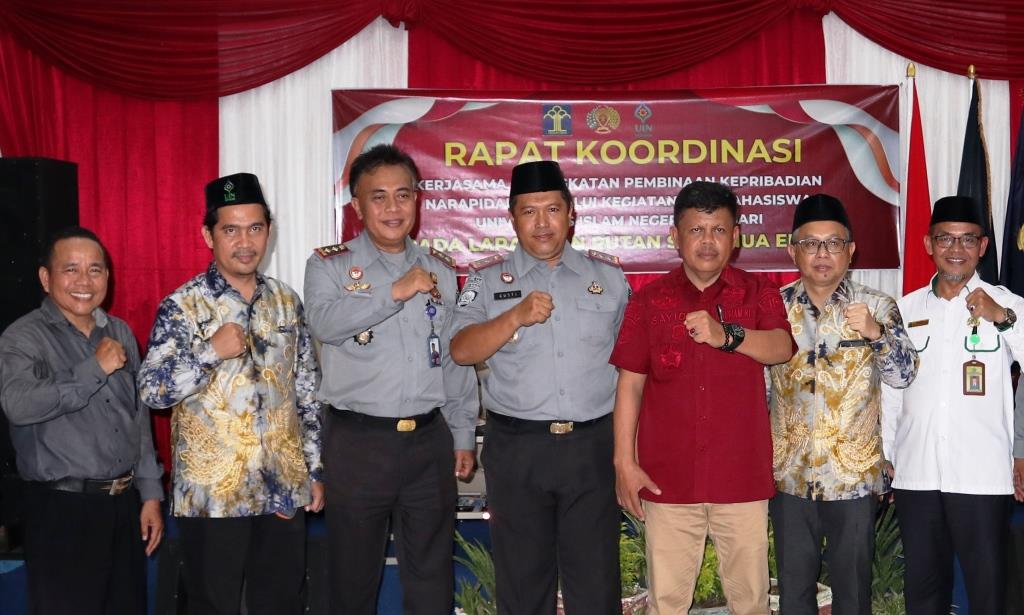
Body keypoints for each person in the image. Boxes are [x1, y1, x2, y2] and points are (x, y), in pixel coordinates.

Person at [303, 144, 478, 615]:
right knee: (353, 578)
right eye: (377, 197)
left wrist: (462, 432)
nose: (393, 208)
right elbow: (323, 322)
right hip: (358, 444)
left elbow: (452, 357)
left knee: (431, 574)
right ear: (357, 205)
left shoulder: (440, 269)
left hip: (427, 443)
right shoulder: (329, 265)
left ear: (418, 200)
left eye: (403, 195)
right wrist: (394, 291)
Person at [450, 159, 629, 615]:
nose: (542, 223)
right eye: (529, 212)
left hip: (591, 446)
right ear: (512, 218)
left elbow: (633, 368)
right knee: (523, 584)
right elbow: (461, 349)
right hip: (519, 448)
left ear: (571, 213)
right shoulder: (487, 279)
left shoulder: (607, 278)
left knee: (596, 583)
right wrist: (514, 316)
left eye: (552, 209)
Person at [138, 173, 322, 615]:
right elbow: (152, 390)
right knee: (211, 605)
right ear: (208, 234)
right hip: (211, 499)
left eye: (255, 228)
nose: (245, 241)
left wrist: (314, 469)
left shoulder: (286, 301)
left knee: (282, 603)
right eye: (230, 229)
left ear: (269, 231)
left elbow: (307, 393)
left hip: (282, 489)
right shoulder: (183, 305)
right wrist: (209, 352)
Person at [610, 180, 795, 615]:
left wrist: (725, 334)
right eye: (696, 230)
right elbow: (630, 383)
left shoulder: (759, 292)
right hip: (667, 479)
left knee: (750, 603)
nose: (707, 242)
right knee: (667, 604)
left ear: (736, 238)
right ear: (675, 237)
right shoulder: (650, 300)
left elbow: (781, 348)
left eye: (718, 230)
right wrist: (624, 462)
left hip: (740, 479)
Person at [0, 226, 163, 614]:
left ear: (108, 276)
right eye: (70, 269)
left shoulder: (119, 331)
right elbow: (18, 405)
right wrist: (94, 368)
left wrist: (151, 493)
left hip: (124, 506)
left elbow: (137, 417)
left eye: (95, 269)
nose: (84, 281)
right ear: (46, 277)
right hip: (61, 509)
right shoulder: (23, 337)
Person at [768, 194, 918, 615]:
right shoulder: (774, 308)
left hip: (852, 479)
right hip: (790, 477)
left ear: (851, 250)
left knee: (853, 593)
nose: (822, 254)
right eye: (811, 243)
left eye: (834, 243)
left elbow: (903, 375)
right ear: (792, 249)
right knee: (794, 594)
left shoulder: (878, 306)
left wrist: (876, 334)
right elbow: (757, 391)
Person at [882, 195, 1024, 615]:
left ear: (982, 247)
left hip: (980, 476)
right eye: (946, 238)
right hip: (917, 473)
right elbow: (892, 387)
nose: (956, 249)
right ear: (929, 244)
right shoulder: (904, 309)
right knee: (923, 592)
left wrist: (1003, 319)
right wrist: (888, 453)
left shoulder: (1009, 304)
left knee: (987, 591)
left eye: (967, 240)